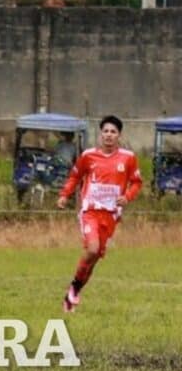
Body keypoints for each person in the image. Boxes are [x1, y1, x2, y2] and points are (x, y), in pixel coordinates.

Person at [57, 115, 142, 313]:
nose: (109, 135)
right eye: (106, 131)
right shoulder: (88, 156)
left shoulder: (128, 158)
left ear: (119, 135)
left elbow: (137, 182)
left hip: (110, 215)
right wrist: (64, 195)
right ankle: (74, 287)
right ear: (100, 134)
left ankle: (74, 290)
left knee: (93, 258)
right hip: (90, 211)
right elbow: (75, 176)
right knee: (92, 249)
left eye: (113, 132)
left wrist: (127, 197)